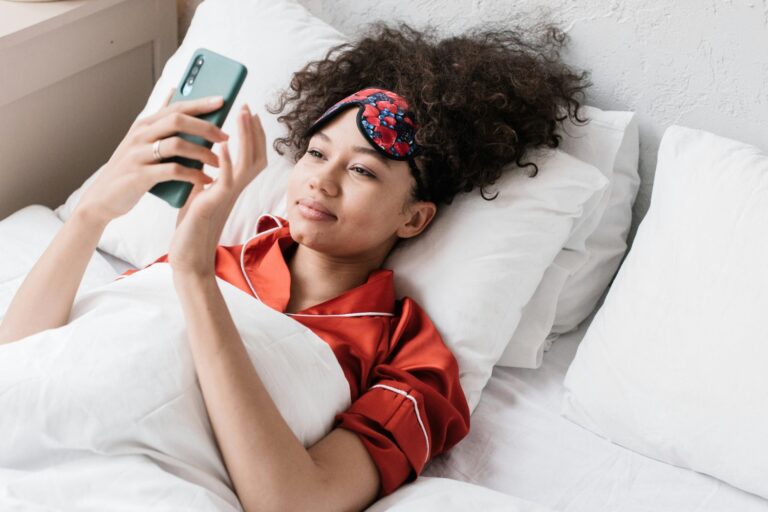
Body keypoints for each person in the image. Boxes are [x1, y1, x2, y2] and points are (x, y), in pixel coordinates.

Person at [0, 20, 590, 512]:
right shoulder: (224, 256)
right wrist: (93, 214)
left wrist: (196, 280)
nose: (321, 180)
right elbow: (25, 357)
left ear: (413, 219)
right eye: (315, 152)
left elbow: (295, 501)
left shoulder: (414, 358)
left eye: (362, 171)